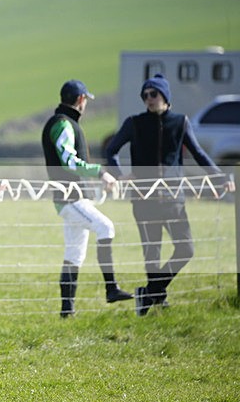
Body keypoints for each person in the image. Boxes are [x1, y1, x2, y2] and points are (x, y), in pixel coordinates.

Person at [105, 74, 234, 316]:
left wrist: (220, 176)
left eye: (153, 94)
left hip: (174, 200)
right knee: (151, 253)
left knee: (186, 249)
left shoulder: (181, 122)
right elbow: (111, 150)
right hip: (144, 200)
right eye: (145, 95)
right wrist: (119, 175)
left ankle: (151, 292)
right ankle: (156, 296)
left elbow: (199, 154)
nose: (149, 99)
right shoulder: (134, 123)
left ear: (165, 96)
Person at [42, 79, 133, 318]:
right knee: (106, 227)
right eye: (86, 100)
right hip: (70, 199)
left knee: (74, 255)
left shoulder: (65, 122)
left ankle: (67, 311)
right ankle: (111, 288)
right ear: (81, 99)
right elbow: (69, 162)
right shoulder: (63, 124)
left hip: (72, 199)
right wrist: (101, 172)